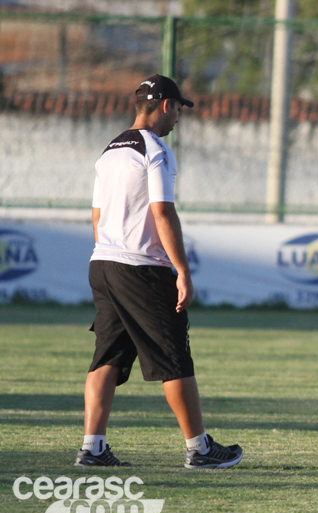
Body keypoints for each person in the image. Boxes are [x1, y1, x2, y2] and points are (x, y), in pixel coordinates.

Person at [76, 74, 243, 469]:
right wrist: (182, 270)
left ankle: (92, 446)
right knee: (173, 357)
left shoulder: (109, 151)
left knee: (108, 357)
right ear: (166, 105)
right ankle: (199, 449)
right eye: (179, 110)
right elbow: (162, 211)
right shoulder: (156, 149)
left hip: (103, 262)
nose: (179, 119)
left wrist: (113, 251)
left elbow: (97, 216)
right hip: (142, 269)